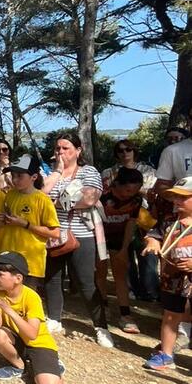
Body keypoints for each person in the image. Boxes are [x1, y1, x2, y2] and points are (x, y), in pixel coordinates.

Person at [42, 133, 112, 347]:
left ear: (78, 150)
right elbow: (41, 196)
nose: (60, 152)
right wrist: (57, 173)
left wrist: (54, 203)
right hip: (54, 234)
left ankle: (101, 326)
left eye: (66, 148)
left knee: (86, 282)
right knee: (52, 278)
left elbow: (89, 198)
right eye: (58, 148)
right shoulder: (51, 173)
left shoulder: (88, 172)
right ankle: (54, 318)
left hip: (82, 234)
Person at [0, 253, 63, 384]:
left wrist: (10, 311)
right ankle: (19, 367)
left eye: (0, 274)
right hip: (17, 339)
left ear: (18, 278)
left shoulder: (31, 297)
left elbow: (32, 334)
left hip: (38, 344)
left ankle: (53, 365)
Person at [141, 175, 192, 371]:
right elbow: (153, 235)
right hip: (173, 278)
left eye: (183, 197)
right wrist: (153, 243)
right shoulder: (170, 220)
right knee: (171, 315)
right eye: (175, 197)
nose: (177, 201)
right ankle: (166, 355)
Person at [0, 155, 59, 296]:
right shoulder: (10, 194)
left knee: (26, 300)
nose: (15, 179)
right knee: (6, 299)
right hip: (8, 256)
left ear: (34, 177)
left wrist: (25, 224)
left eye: (20, 176)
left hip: (30, 261)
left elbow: (55, 233)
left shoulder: (42, 199)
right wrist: (4, 218)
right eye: (13, 175)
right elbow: (8, 219)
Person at [96, 168, 146, 334]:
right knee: (100, 272)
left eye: (135, 190)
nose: (130, 194)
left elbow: (131, 223)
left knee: (120, 275)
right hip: (100, 237)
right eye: (128, 190)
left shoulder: (136, 200)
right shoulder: (102, 196)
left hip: (120, 238)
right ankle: (103, 306)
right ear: (117, 184)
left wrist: (124, 248)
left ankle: (125, 314)